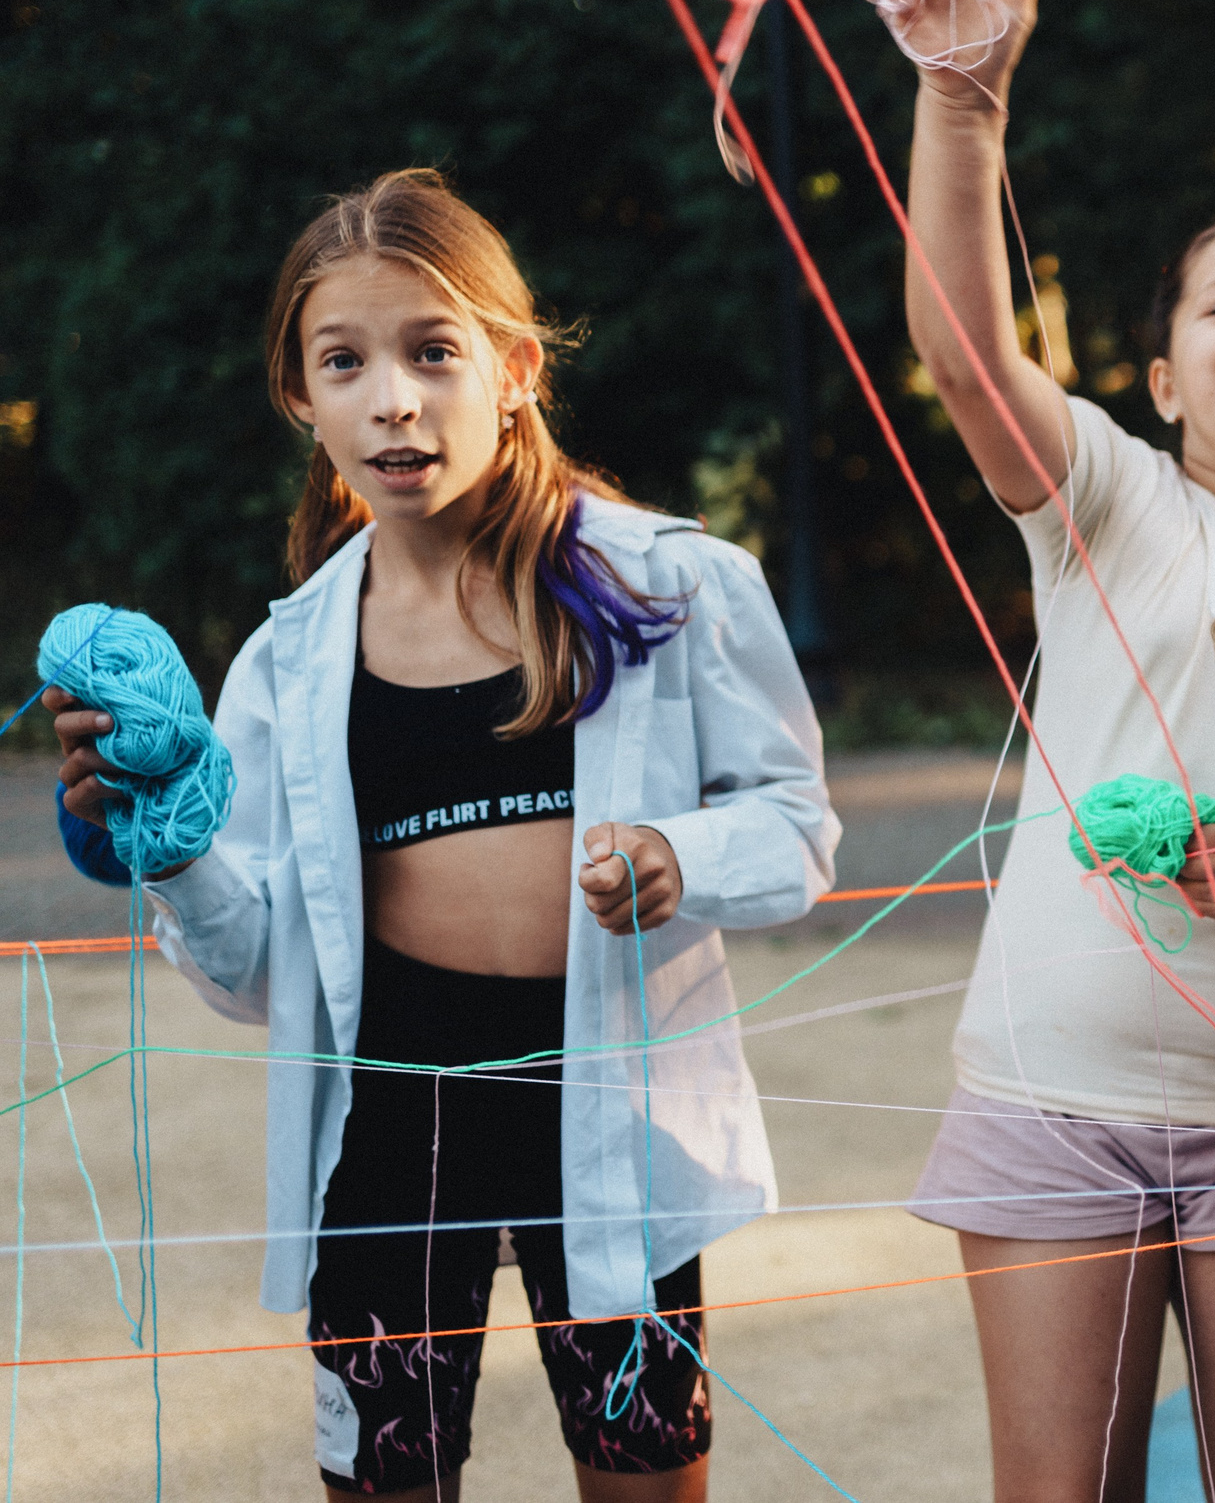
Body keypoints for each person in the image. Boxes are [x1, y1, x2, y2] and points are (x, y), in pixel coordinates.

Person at [47, 169, 840, 1503]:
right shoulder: (287, 663)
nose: (393, 399)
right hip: (391, 1116)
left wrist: (678, 857)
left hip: (610, 1100)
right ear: (302, 399)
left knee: (646, 1474)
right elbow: (254, 978)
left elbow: (798, 829)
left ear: (516, 368)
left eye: (434, 352)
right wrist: (169, 840)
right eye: (344, 362)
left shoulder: (675, 584)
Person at [887, 0, 1215, 1503]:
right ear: (1159, 376)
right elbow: (962, 348)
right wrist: (963, 101)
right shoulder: (1110, 499)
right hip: (1052, 1092)